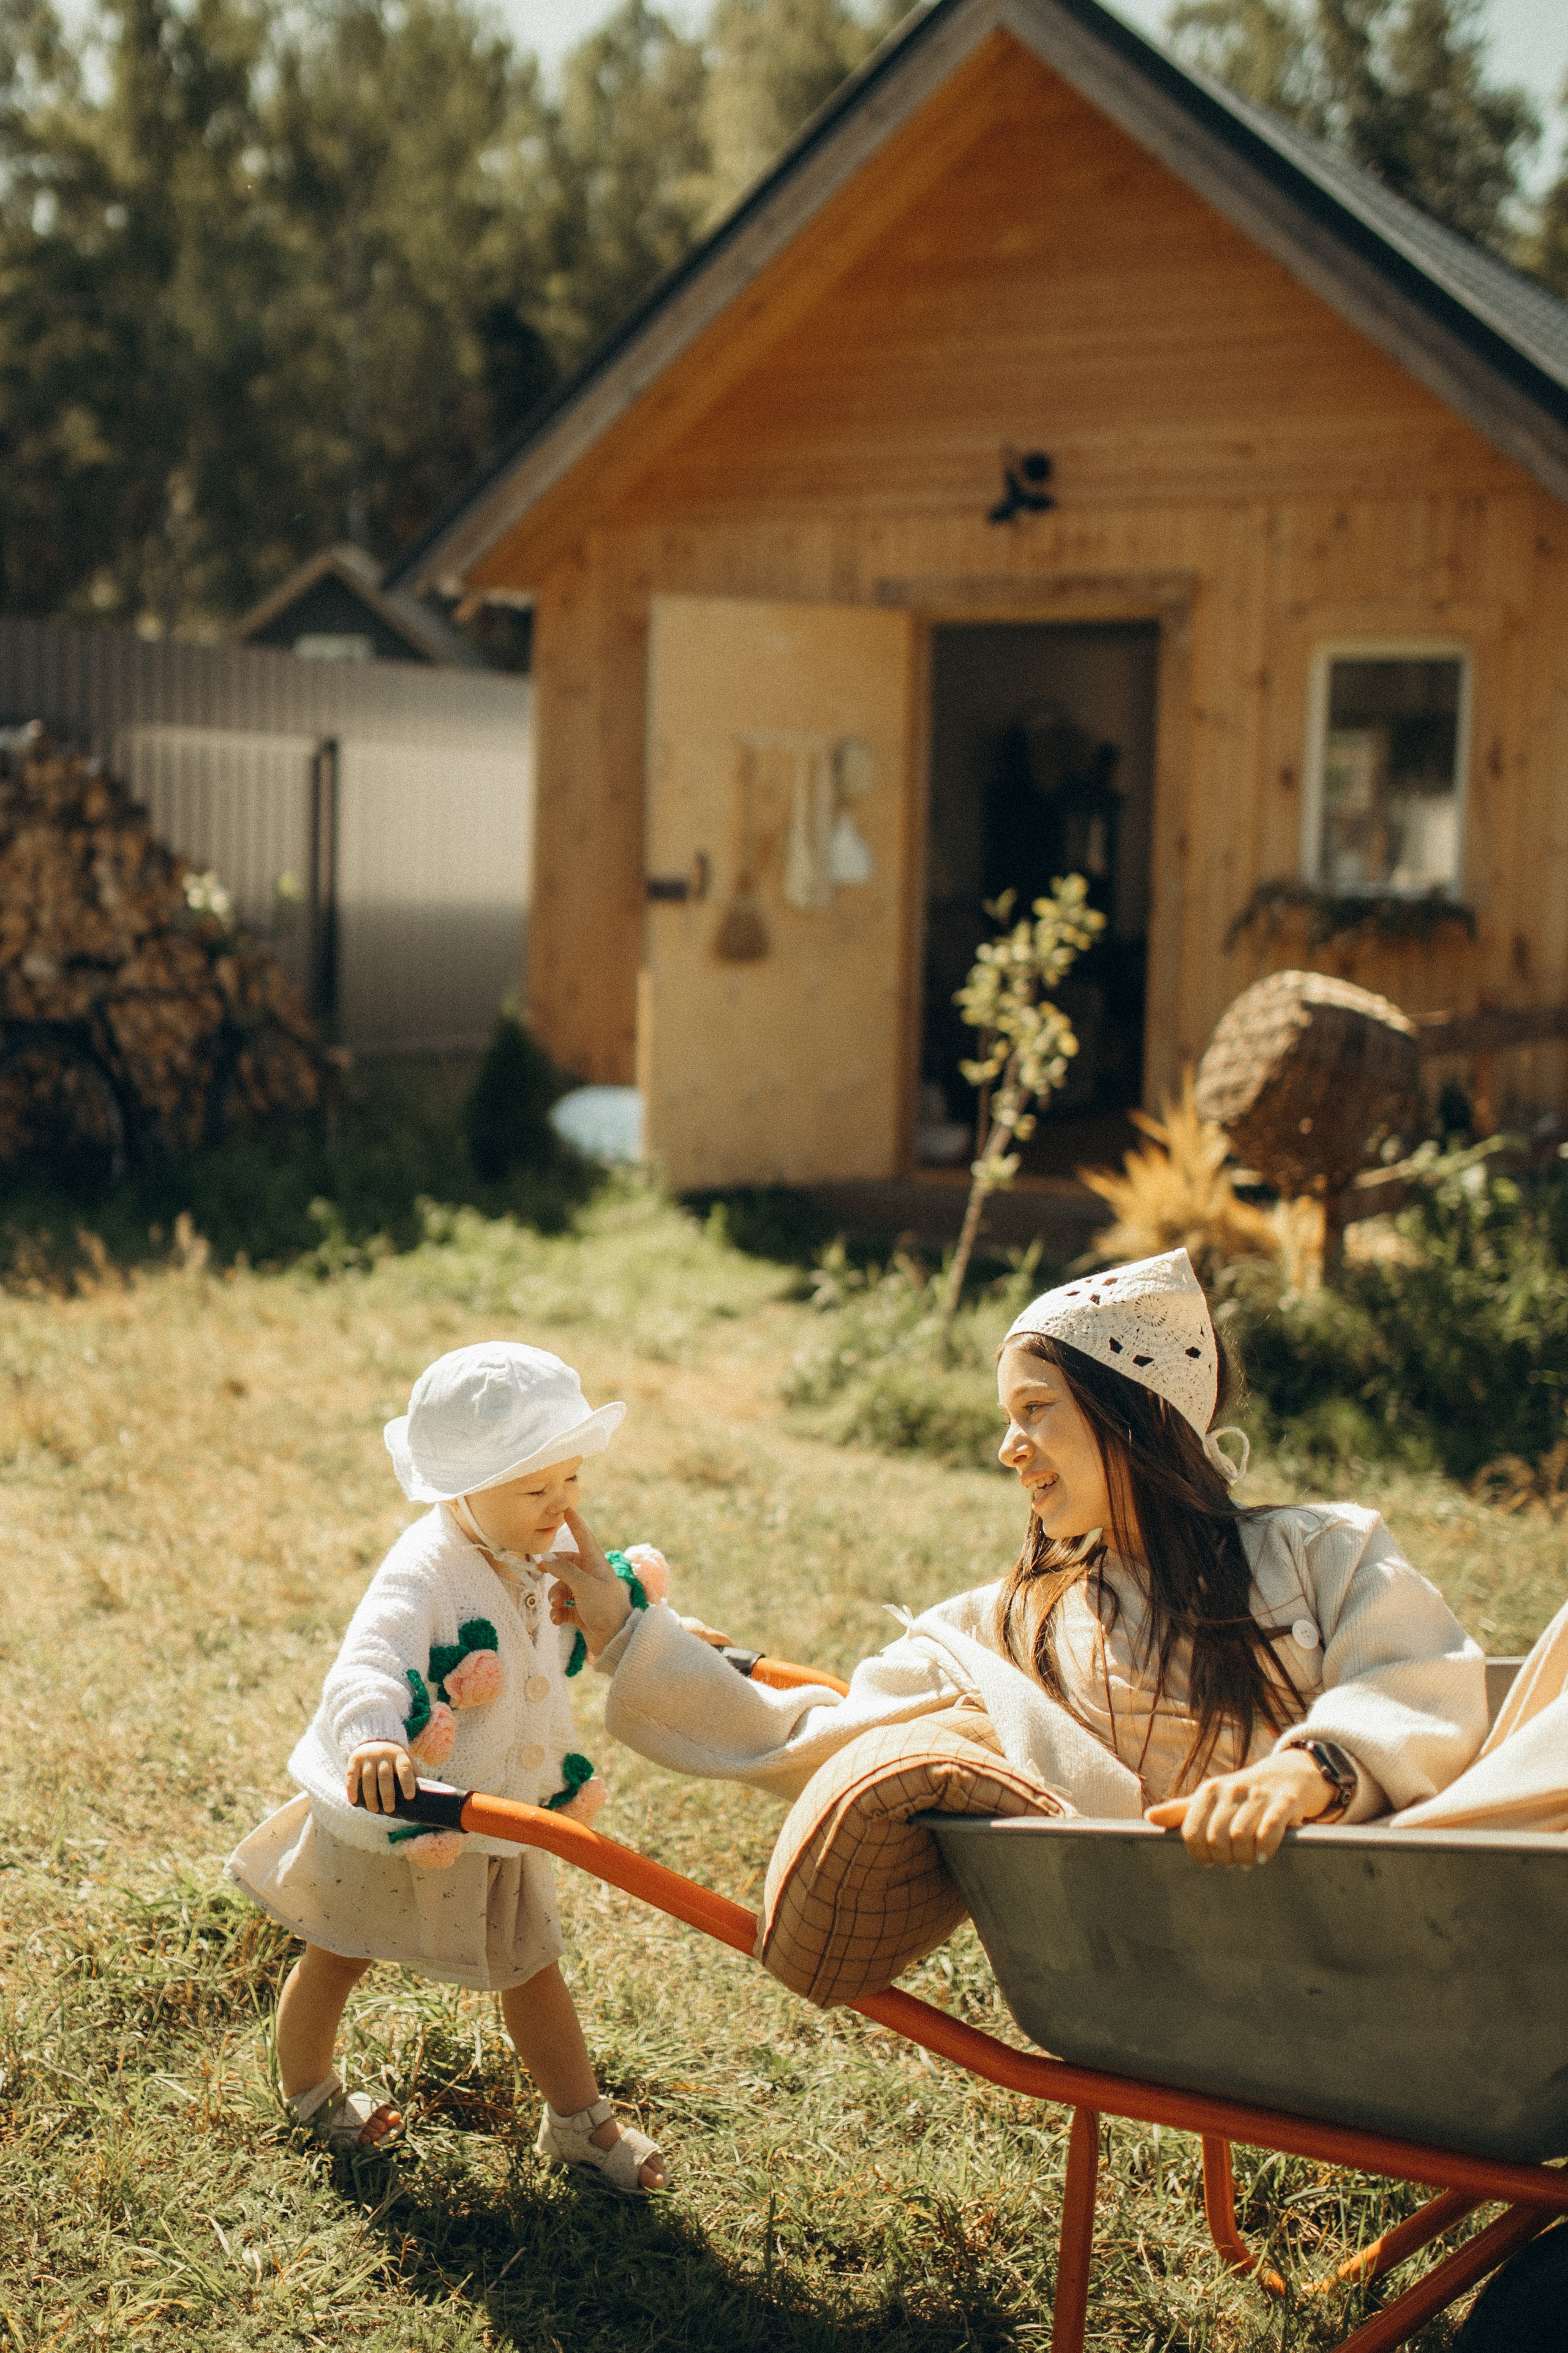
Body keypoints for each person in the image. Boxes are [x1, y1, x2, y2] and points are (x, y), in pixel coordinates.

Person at [548, 1250, 1488, 1865]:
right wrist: (635, 1633)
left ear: (1139, 1414)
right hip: (1179, 1934)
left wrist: (1311, 1768)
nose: (1009, 1446)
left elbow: (1420, 1679)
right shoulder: (1010, 1624)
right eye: (1009, 1418)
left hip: (1396, 1898)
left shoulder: (1323, 1548)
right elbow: (815, 1734)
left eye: (1035, 1409)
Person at [227, 1341, 667, 2192]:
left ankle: (577, 2122)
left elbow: (563, 1631)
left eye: (570, 1479)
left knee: (531, 1963)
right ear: (458, 1487)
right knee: (339, 1949)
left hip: (494, 1812)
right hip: (395, 1805)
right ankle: (309, 2090)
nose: (560, 1504)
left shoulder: (542, 1551)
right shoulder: (425, 1568)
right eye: (535, 1488)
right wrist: (374, 1740)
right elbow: (369, 1661)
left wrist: (625, 1617)